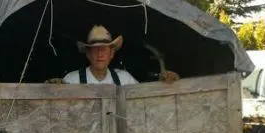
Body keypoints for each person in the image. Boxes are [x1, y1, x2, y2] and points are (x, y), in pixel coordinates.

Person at [49, 25, 179, 85]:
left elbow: (144, 99)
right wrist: (52, 88)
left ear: (111, 54)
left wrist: (166, 81)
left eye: (104, 49)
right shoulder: (72, 80)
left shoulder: (125, 79)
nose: (100, 53)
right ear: (88, 54)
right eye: (95, 49)